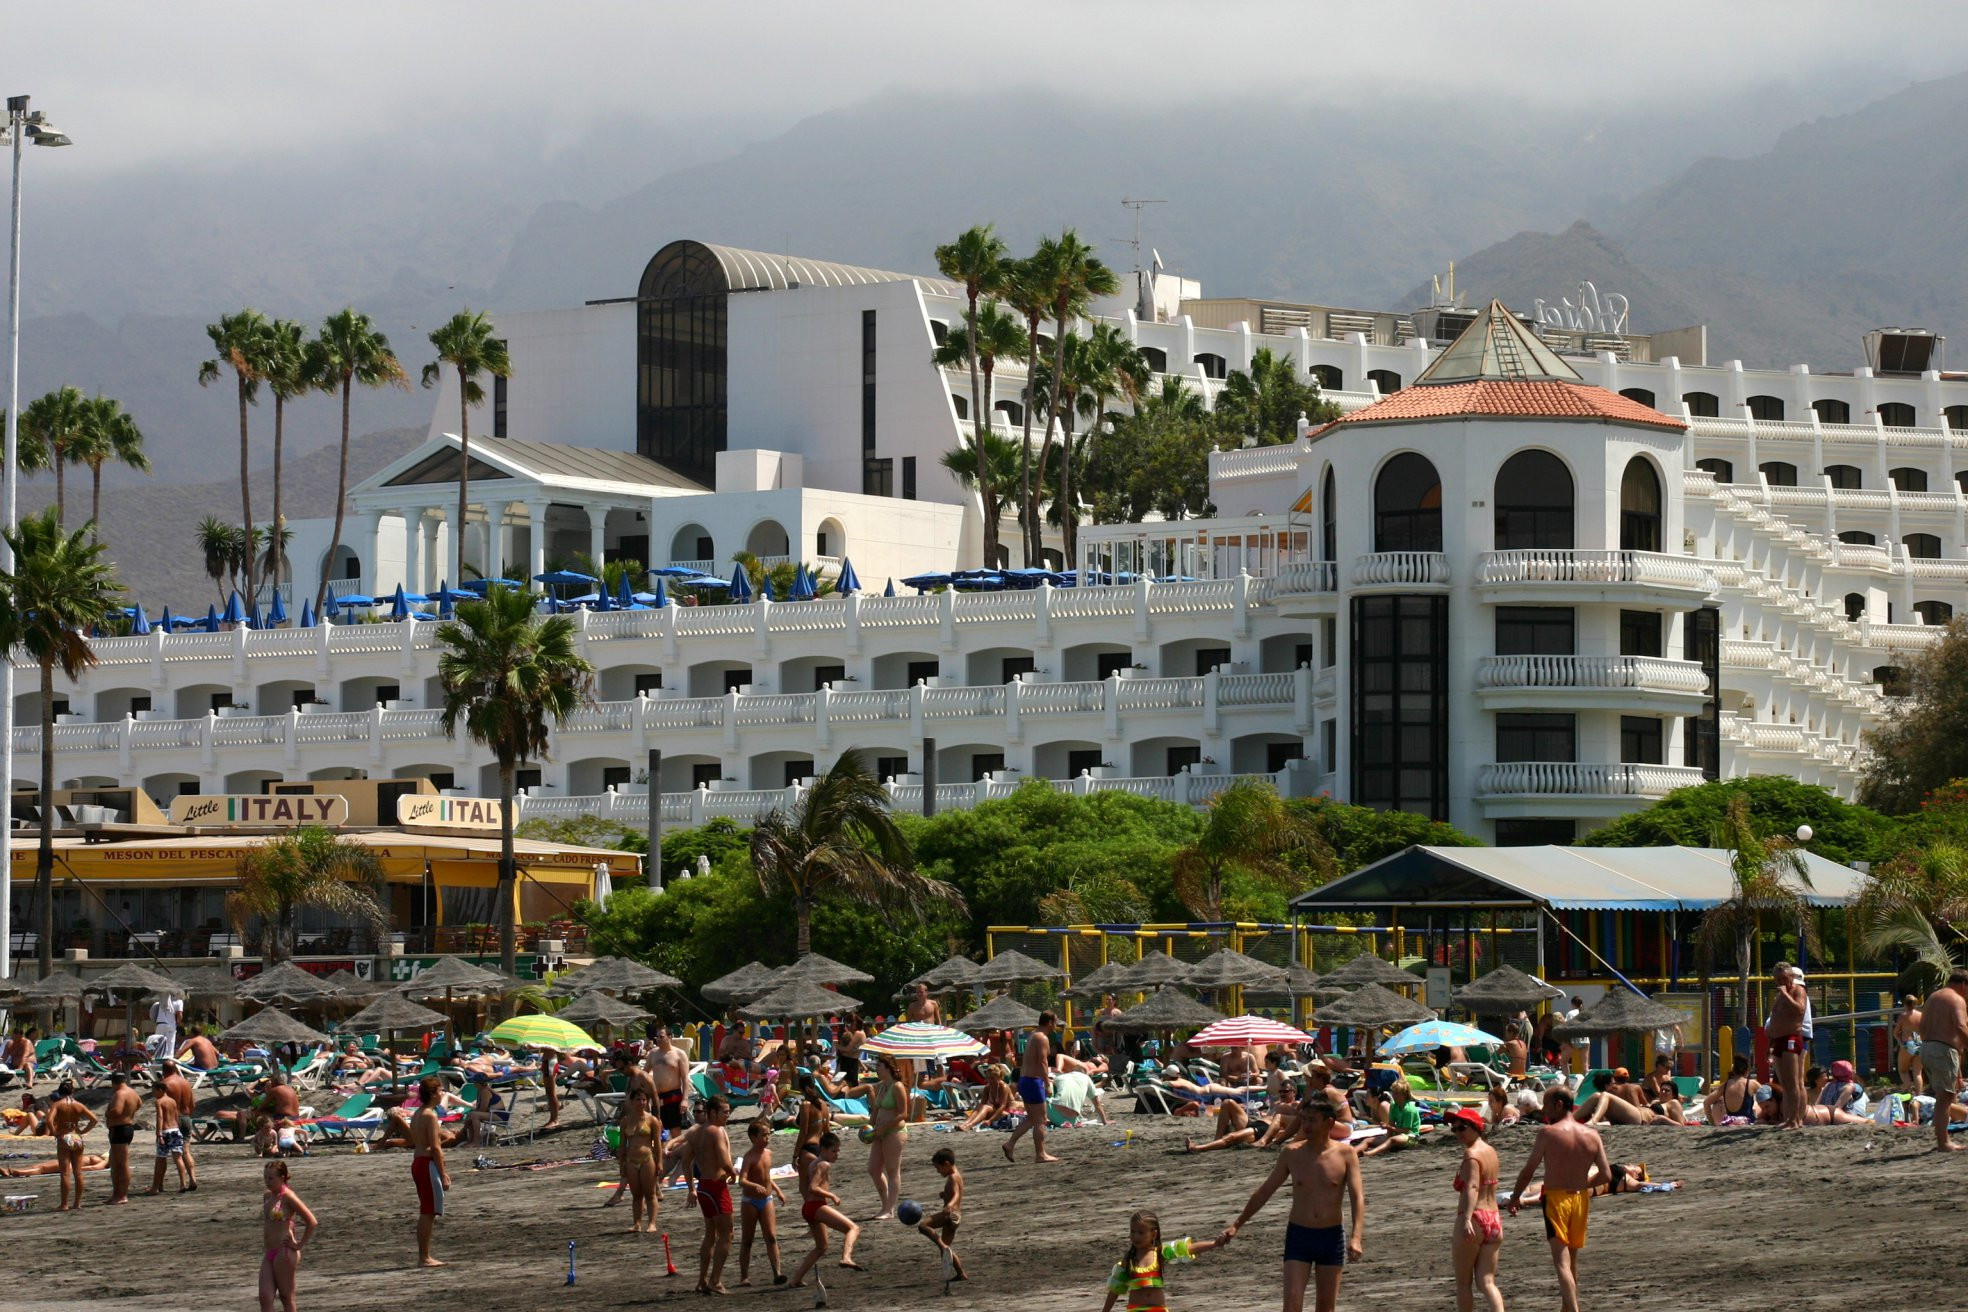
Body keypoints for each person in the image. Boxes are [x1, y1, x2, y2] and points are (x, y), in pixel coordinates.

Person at [1218, 1099, 1364, 1312]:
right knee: (1292, 1304)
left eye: (1312, 1121)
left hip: (1331, 1237)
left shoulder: (1346, 1154)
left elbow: (1357, 1197)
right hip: (1299, 1236)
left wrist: (1356, 1237)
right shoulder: (1292, 1153)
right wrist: (1237, 1224)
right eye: (1304, 1119)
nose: (1306, 1126)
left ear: (1329, 1123)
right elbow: (1265, 1191)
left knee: (1326, 1308)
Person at [1507, 1089, 1610, 1312]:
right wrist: (1582, 1184)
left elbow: (1528, 1171)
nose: (1543, 1110)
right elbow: (1606, 1175)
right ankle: (1568, 1307)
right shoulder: (1592, 1134)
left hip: (1556, 1200)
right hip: (1580, 1199)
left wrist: (1515, 1197)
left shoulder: (1548, 1133)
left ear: (1559, 1104)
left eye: (1547, 1104)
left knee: (1561, 1262)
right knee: (1572, 1261)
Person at [1101, 1208, 1222, 1312]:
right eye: (1132, 1231)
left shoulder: (1159, 1253)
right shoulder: (1129, 1259)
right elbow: (1115, 1288)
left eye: (1141, 1232)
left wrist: (1214, 1244)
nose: (1135, 1236)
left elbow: (1188, 1249)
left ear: (1153, 1234)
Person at [787, 1131, 863, 1288]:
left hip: (808, 1208)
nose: (837, 1155)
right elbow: (813, 1187)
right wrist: (832, 1195)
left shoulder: (815, 1162)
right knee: (853, 1228)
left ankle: (795, 1279)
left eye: (838, 1151)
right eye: (834, 1151)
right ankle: (846, 1257)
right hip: (816, 1207)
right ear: (823, 1149)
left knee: (821, 1247)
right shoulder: (823, 1164)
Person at [1447, 1108, 1505, 1312]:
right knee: (1487, 1282)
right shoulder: (1491, 1151)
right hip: (1494, 1219)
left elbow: (1472, 1187)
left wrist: (1466, 1219)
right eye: (1453, 1129)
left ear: (1476, 1127)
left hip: (1475, 1217)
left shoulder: (1471, 1154)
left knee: (1464, 1283)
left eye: (1462, 1128)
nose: (1457, 1133)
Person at [687, 1095, 738, 1295]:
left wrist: (691, 1186)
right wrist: (734, 1174)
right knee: (727, 1234)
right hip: (716, 1187)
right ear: (713, 1112)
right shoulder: (716, 1131)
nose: (728, 1115)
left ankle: (701, 1280)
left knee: (710, 1234)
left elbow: (685, 1160)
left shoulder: (697, 1132)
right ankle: (715, 1280)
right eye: (725, 1111)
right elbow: (725, 1161)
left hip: (703, 1187)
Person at [1918, 968, 1968, 1152]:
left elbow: (1922, 1025)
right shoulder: (1956, 998)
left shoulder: (1933, 997)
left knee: (1944, 1096)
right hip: (1942, 1050)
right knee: (1945, 1098)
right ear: (1963, 984)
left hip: (1927, 1048)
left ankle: (1942, 1141)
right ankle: (1943, 1143)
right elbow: (1961, 1025)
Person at [259, 1159, 317, 1312]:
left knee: (286, 1296)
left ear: (282, 1178)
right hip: (269, 1251)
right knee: (265, 1296)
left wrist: (299, 1244)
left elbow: (311, 1221)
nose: (267, 1181)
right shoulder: (267, 1196)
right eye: (265, 1177)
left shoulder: (288, 1197)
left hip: (284, 1251)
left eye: (271, 1178)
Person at [1004, 1011, 1061, 1165]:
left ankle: (1010, 1144)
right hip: (1033, 1081)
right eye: (1055, 1021)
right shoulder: (1042, 1038)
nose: (1056, 1025)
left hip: (1025, 1080)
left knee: (1032, 1118)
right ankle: (1040, 1154)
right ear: (1049, 1022)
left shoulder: (1033, 1035)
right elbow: (1043, 1062)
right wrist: (1047, 1083)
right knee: (1041, 1119)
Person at [737, 1118, 787, 1286]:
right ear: (753, 1137)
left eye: (769, 1134)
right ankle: (744, 1276)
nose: (767, 1138)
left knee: (771, 1236)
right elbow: (741, 1180)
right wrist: (754, 1186)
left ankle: (777, 1273)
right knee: (747, 1240)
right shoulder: (749, 1157)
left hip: (766, 1199)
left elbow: (766, 1176)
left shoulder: (769, 1154)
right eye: (764, 1135)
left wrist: (778, 1190)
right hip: (750, 1201)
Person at [409, 1074, 451, 1267]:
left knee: (427, 1210)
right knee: (428, 1212)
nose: (442, 1093)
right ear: (433, 1093)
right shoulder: (430, 1115)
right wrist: (443, 1174)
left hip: (418, 1163)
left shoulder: (418, 1114)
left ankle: (424, 1256)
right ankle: (424, 1257)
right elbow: (435, 1147)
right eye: (440, 1090)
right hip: (426, 1164)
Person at [865, 1052, 909, 1219]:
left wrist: (886, 1126)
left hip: (894, 1132)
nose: (876, 1069)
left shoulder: (897, 1086)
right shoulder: (881, 1086)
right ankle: (886, 1205)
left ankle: (889, 1208)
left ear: (888, 1068)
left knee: (892, 1170)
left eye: (879, 1066)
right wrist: (869, 1128)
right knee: (873, 1169)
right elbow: (875, 1111)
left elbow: (903, 1113)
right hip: (879, 1131)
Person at [1766, 962, 1809, 1130]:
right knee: (1784, 1083)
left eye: (1784, 978)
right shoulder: (1779, 995)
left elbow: (1800, 1010)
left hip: (1792, 1038)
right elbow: (1775, 1018)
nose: (1782, 982)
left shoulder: (1798, 991)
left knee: (1793, 1082)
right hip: (1778, 1039)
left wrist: (1785, 994)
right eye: (1778, 980)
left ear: (1791, 977)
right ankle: (1788, 1118)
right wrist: (1769, 1045)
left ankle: (1795, 1120)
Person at [48, 1079, 99, 1212]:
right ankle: (77, 1203)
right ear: (72, 1091)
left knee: (65, 1173)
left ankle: (64, 1204)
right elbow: (94, 1119)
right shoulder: (79, 1105)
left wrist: (55, 1133)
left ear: (59, 1092)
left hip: (64, 1136)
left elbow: (49, 1120)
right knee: (78, 1172)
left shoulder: (57, 1104)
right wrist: (83, 1131)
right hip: (76, 1137)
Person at [917, 1146, 966, 1283]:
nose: (938, 1172)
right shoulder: (957, 1174)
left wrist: (949, 1204)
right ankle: (961, 1273)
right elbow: (956, 1192)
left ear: (946, 1164)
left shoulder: (952, 1177)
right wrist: (945, 1195)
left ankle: (941, 1245)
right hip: (957, 1216)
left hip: (950, 1214)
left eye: (938, 1168)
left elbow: (956, 1195)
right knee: (946, 1249)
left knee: (923, 1226)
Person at [617, 1087, 661, 1235]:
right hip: (630, 1160)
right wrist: (621, 1164)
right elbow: (622, 1145)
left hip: (647, 1158)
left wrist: (659, 1162)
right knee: (636, 1194)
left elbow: (658, 1144)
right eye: (638, 1099)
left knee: (650, 1193)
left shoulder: (652, 1120)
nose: (641, 1102)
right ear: (632, 1101)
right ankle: (636, 1223)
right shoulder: (625, 1121)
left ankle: (652, 1223)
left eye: (644, 1100)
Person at [148, 1079, 196, 1194]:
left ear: (160, 1090)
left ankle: (155, 1188)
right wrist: (178, 1129)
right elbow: (176, 1116)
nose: (153, 1094)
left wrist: (159, 1133)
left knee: (160, 1159)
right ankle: (182, 1184)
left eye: (154, 1091)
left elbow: (160, 1117)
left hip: (165, 1131)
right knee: (178, 1158)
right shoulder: (173, 1101)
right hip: (175, 1130)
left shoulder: (159, 1102)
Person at [104, 1071, 142, 1204]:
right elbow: (139, 1103)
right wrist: (129, 1114)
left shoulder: (120, 1093)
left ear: (114, 1082)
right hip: (125, 1128)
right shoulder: (133, 1092)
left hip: (120, 1129)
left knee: (121, 1163)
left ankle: (122, 1195)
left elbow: (117, 1110)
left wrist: (107, 1114)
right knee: (115, 1162)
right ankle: (116, 1193)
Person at [1358, 1079, 1420, 1155]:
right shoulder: (1394, 1106)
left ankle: (1370, 1153)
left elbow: (1405, 1131)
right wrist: (1387, 1135)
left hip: (1412, 1137)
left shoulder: (1409, 1109)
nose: (1394, 1095)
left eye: (1397, 1093)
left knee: (1392, 1140)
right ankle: (1353, 1152)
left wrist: (1388, 1128)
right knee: (1368, 1140)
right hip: (1397, 1134)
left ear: (1404, 1094)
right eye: (1393, 1092)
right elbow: (1391, 1123)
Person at [1703, 1054, 1760, 1126]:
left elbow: (1706, 1103)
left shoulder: (1726, 1084)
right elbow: (1767, 1097)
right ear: (1747, 1071)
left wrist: (1712, 1123)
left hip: (1730, 1122)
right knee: (1757, 1106)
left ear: (1734, 1071)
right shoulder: (1752, 1083)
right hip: (1747, 1122)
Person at [957, 1064, 1015, 1131]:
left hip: (1009, 1114)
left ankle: (970, 1125)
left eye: (992, 1078)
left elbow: (1002, 1106)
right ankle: (965, 1124)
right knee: (980, 1106)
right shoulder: (987, 1088)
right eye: (988, 1078)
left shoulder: (1003, 1087)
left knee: (986, 1107)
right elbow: (982, 1105)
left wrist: (990, 1121)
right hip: (997, 1113)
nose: (990, 1080)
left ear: (999, 1077)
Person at [1895, 995, 1925, 1093]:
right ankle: (1919, 1096)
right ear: (1915, 1003)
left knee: (1903, 1071)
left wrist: (1900, 1043)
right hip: (1919, 1043)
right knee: (1918, 1073)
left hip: (1907, 1044)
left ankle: (1908, 1090)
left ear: (1904, 1003)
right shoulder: (1921, 1015)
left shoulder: (1903, 1016)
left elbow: (1895, 1032)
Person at [148, 991, 184, 1059]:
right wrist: (177, 1024)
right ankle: (168, 1061)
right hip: (170, 1025)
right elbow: (179, 1014)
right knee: (170, 1045)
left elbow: (153, 1013)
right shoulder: (179, 1001)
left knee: (158, 1043)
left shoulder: (162, 1000)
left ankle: (157, 1059)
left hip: (160, 1024)